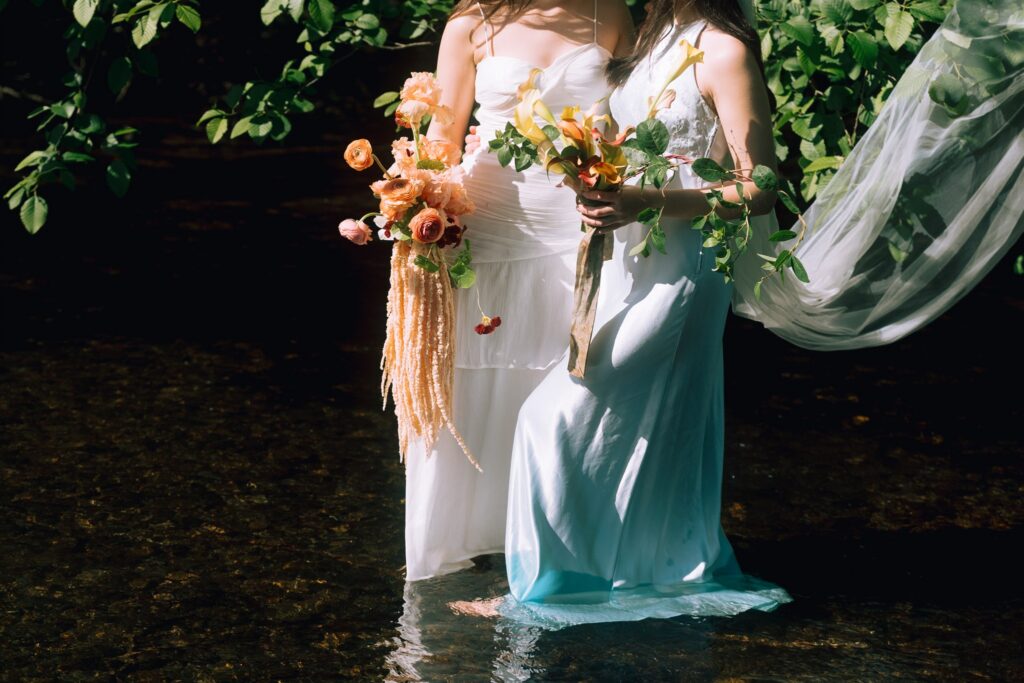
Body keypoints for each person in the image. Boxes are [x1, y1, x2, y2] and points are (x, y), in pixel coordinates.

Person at [457, 0, 1024, 629]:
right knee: (645, 425)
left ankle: (545, 593)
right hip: (628, 263)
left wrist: (647, 199)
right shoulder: (650, 37)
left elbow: (762, 187)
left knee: (553, 417)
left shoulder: (724, 49)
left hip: (683, 271)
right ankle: (641, 567)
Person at [402, 0, 635, 581]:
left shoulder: (609, 12)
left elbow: (631, 120)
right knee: (481, 372)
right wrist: (411, 204)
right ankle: (468, 538)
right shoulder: (473, 23)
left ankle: (556, 541)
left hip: (577, 221)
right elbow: (444, 136)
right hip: (492, 222)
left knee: (568, 378)